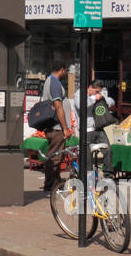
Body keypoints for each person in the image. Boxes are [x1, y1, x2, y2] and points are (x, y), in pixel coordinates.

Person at [39, 63, 71, 192]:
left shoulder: (49, 80)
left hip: (54, 126)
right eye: (66, 70)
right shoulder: (55, 82)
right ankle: (50, 185)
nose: (66, 73)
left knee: (57, 155)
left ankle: (56, 182)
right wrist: (65, 128)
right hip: (57, 127)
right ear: (62, 69)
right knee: (55, 157)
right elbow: (58, 106)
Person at [68, 79, 116, 143]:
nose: (97, 93)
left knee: (107, 150)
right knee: (88, 151)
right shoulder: (79, 93)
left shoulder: (98, 94)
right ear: (90, 87)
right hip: (86, 130)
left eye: (99, 92)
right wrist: (94, 98)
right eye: (96, 91)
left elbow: (112, 101)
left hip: (98, 127)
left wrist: (103, 99)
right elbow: (81, 105)